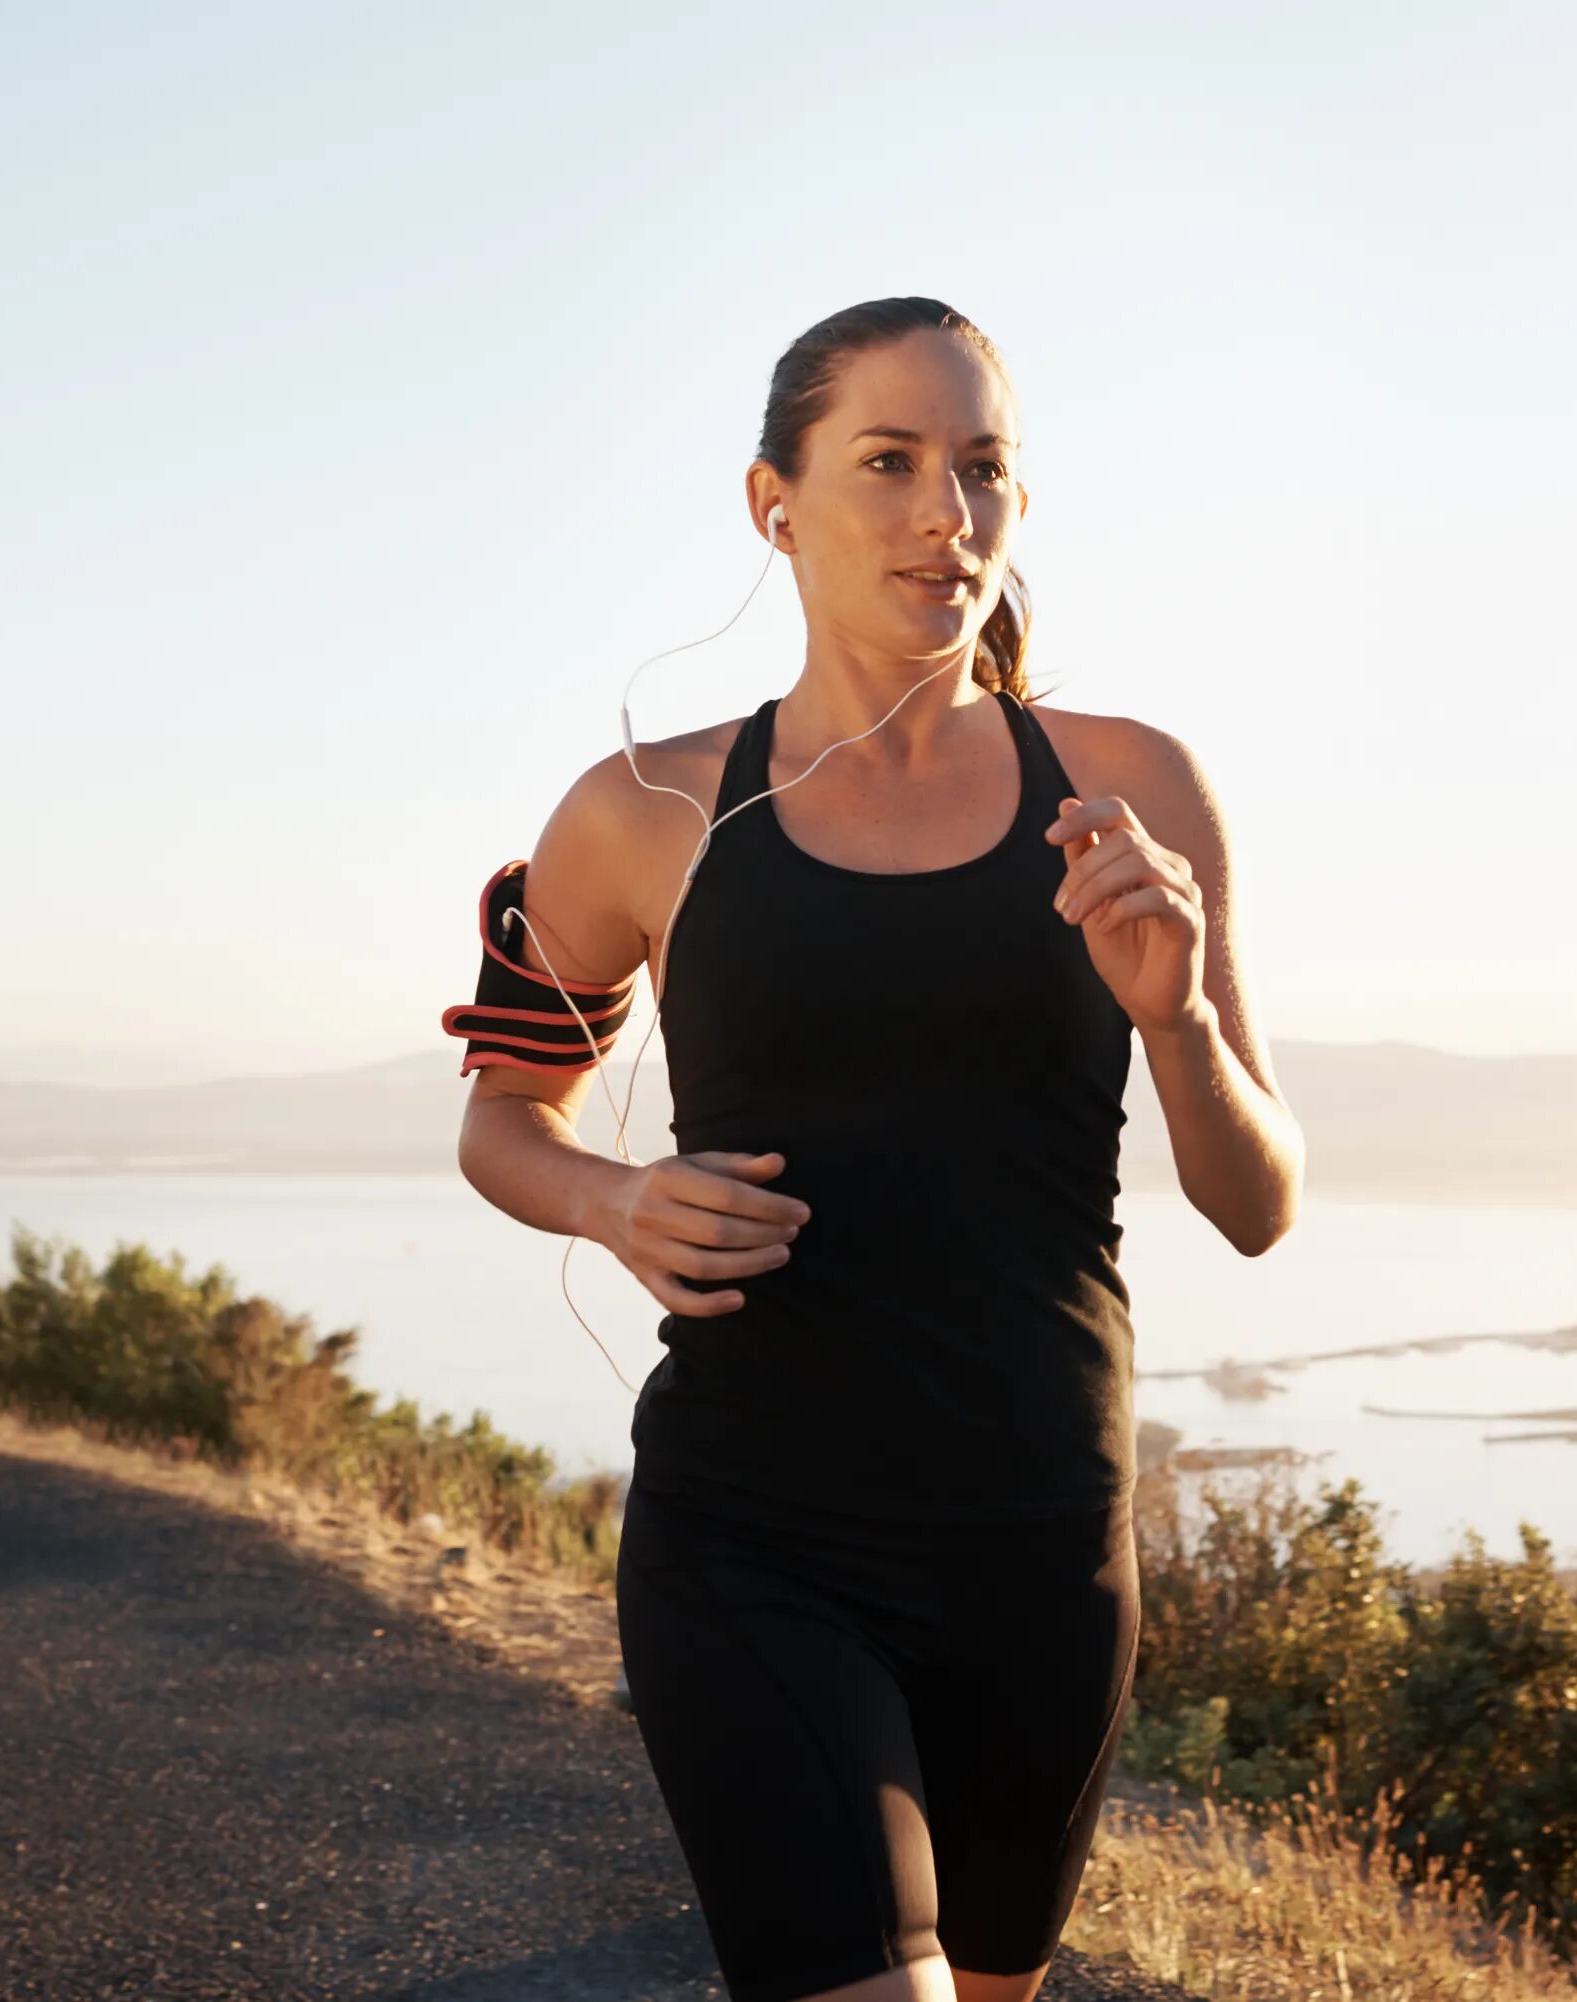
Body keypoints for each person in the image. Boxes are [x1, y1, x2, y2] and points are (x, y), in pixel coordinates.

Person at [452, 296, 1303, 2002]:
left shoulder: (1130, 786)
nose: (944, 511)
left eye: (982, 468)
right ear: (774, 503)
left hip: (1047, 1550)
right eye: (891, 462)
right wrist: (615, 1200)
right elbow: (501, 1119)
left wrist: (1177, 1019)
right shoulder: (648, 809)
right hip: (756, 1536)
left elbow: (1256, 1201)